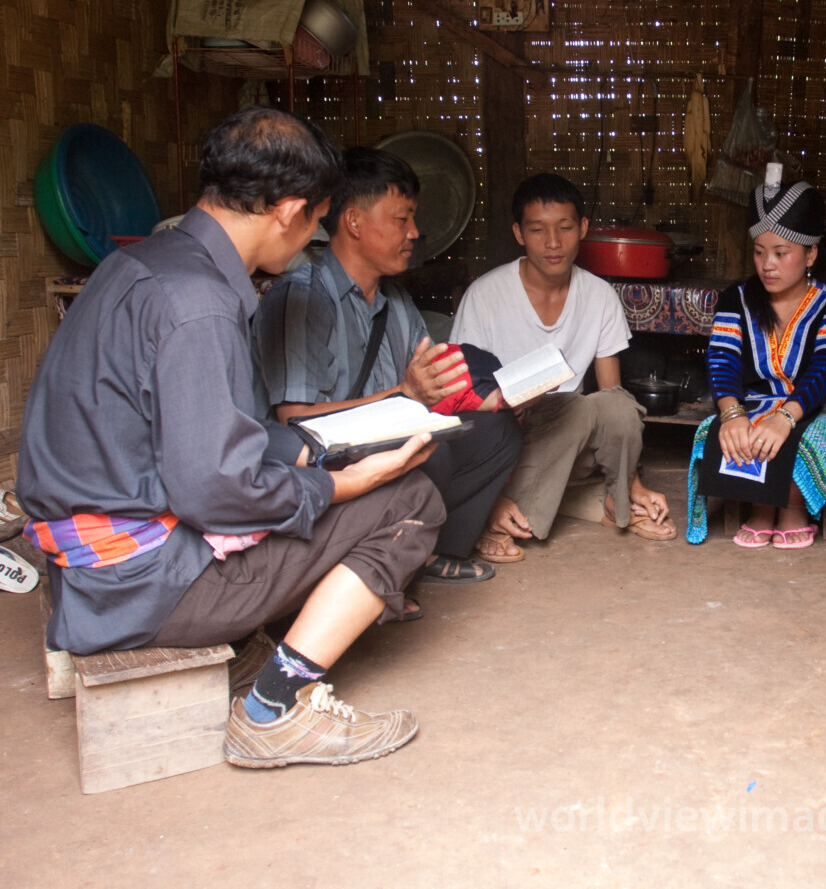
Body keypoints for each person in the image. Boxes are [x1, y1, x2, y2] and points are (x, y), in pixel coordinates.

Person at [18, 107, 444, 767]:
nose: (310, 243)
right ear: (289, 210)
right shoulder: (199, 305)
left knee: (319, 457)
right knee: (411, 501)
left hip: (92, 560)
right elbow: (218, 491)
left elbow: (196, 438)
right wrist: (343, 481)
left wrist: (308, 447)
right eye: (314, 224)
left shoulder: (148, 264)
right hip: (139, 584)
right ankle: (272, 711)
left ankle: (252, 662)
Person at [253, 147, 523, 601]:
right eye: (402, 220)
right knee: (425, 447)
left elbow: (428, 391)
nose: (414, 233)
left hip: (392, 431)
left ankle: (428, 549)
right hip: (319, 455)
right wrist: (403, 395)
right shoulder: (299, 300)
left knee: (496, 432)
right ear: (355, 222)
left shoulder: (396, 303)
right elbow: (292, 420)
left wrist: (493, 399)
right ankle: (372, 563)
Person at [450, 172, 675, 554]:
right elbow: (464, 400)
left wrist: (631, 479)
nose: (553, 243)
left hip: (571, 439)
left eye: (566, 228)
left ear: (583, 227)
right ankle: (502, 508)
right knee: (575, 411)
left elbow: (611, 399)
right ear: (519, 233)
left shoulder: (600, 296)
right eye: (537, 230)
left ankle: (622, 498)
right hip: (507, 442)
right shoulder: (486, 295)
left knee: (609, 406)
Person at [685, 179, 826, 547]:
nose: (768, 265)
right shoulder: (738, 299)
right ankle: (760, 507)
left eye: (781, 252)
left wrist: (787, 417)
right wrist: (731, 413)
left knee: (807, 438)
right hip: (752, 404)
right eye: (760, 252)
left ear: (811, 255)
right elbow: (722, 356)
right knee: (725, 431)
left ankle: (793, 510)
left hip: (811, 407)